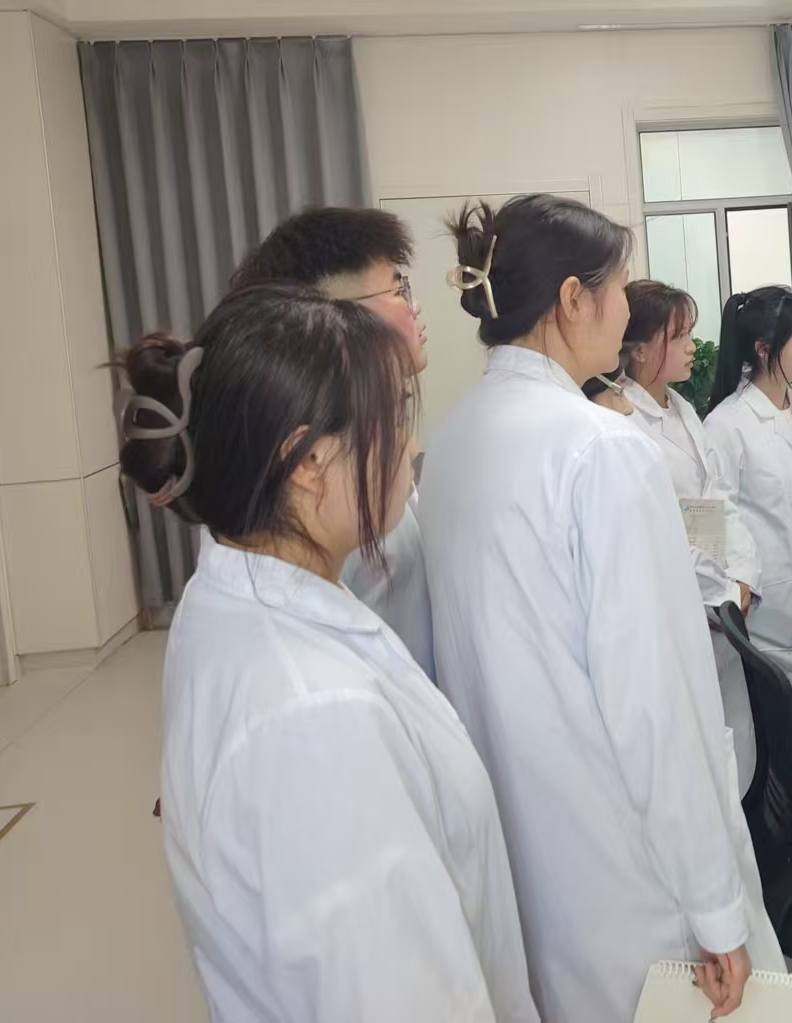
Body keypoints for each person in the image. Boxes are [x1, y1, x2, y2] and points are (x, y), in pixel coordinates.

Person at [121, 284, 536, 1023]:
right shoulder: (314, 720)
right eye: (394, 419)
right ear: (308, 460)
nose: (410, 446)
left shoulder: (234, 595)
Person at [421, 195, 782, 1023]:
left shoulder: (456, 439)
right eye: (618, 288)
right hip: (629, 873)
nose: (626, 311)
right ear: (572, 299)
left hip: (527, 857)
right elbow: (656, 704)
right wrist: (715, 907)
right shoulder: (601, 450)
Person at [230, 207, 436, 680]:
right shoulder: (335, 482)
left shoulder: (356, 448)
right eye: (398, 289)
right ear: (330, 316)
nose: (415, 306)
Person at [614, 279, 763, 788]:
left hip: (721, 605)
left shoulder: (681, 408)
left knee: (735, 752)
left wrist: (742, 577)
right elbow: (660, 537)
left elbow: (717, 499)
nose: (692, 346)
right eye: (678, 337)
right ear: (638, 349)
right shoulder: (622, 422)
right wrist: (721, 592)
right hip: (681, 608)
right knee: (695, 760)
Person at [703, 287, 792, 677]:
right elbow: (709, 521)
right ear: (763, 349)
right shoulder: (726, 425)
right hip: (761, 620)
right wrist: (730, 588)